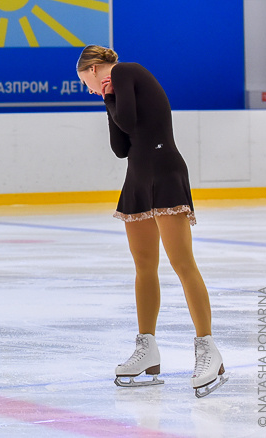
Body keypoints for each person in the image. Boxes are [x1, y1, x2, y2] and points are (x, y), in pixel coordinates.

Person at [76, 45, 227, 398]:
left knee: (182, 263)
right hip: (138, 178)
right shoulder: (113, 91)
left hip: (164, 171)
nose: (88, 88)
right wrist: (107, 99)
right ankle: (148, 349)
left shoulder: (126, 71)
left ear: (96, 68)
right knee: (145, 267)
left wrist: (109, 96)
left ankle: (208, 348)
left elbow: (127, 122)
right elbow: (120, 147)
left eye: (86, 80)